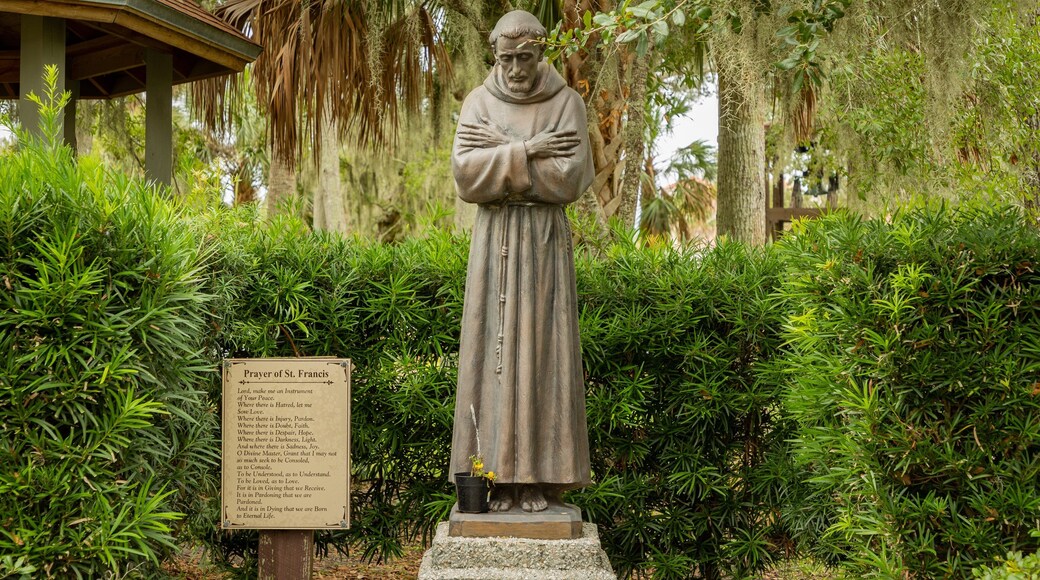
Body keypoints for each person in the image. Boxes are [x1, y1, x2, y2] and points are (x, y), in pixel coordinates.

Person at [449, 9, 594, 513]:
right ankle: (498, 480)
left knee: (542, 352)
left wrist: (504, 159)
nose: (515, 68)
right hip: (493, 244)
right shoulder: (478, 104)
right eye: (506, 58)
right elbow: (466, 178)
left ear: (541, 55)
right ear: (495, 55)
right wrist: (528, 150)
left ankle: (538, 478)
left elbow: (571, 178)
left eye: (525, 58)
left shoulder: (566, 104)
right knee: (493, 354)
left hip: (543, 246)